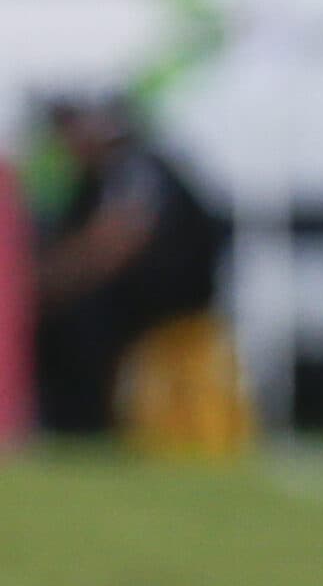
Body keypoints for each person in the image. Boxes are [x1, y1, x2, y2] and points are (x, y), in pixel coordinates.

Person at [32, 93, 225, 434]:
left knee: (78, 322)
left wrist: (46, 284)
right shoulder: (93, 178)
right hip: (144, 296)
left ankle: (85, 424)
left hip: (171, 300)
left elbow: (114, 242)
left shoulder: (134, 166)